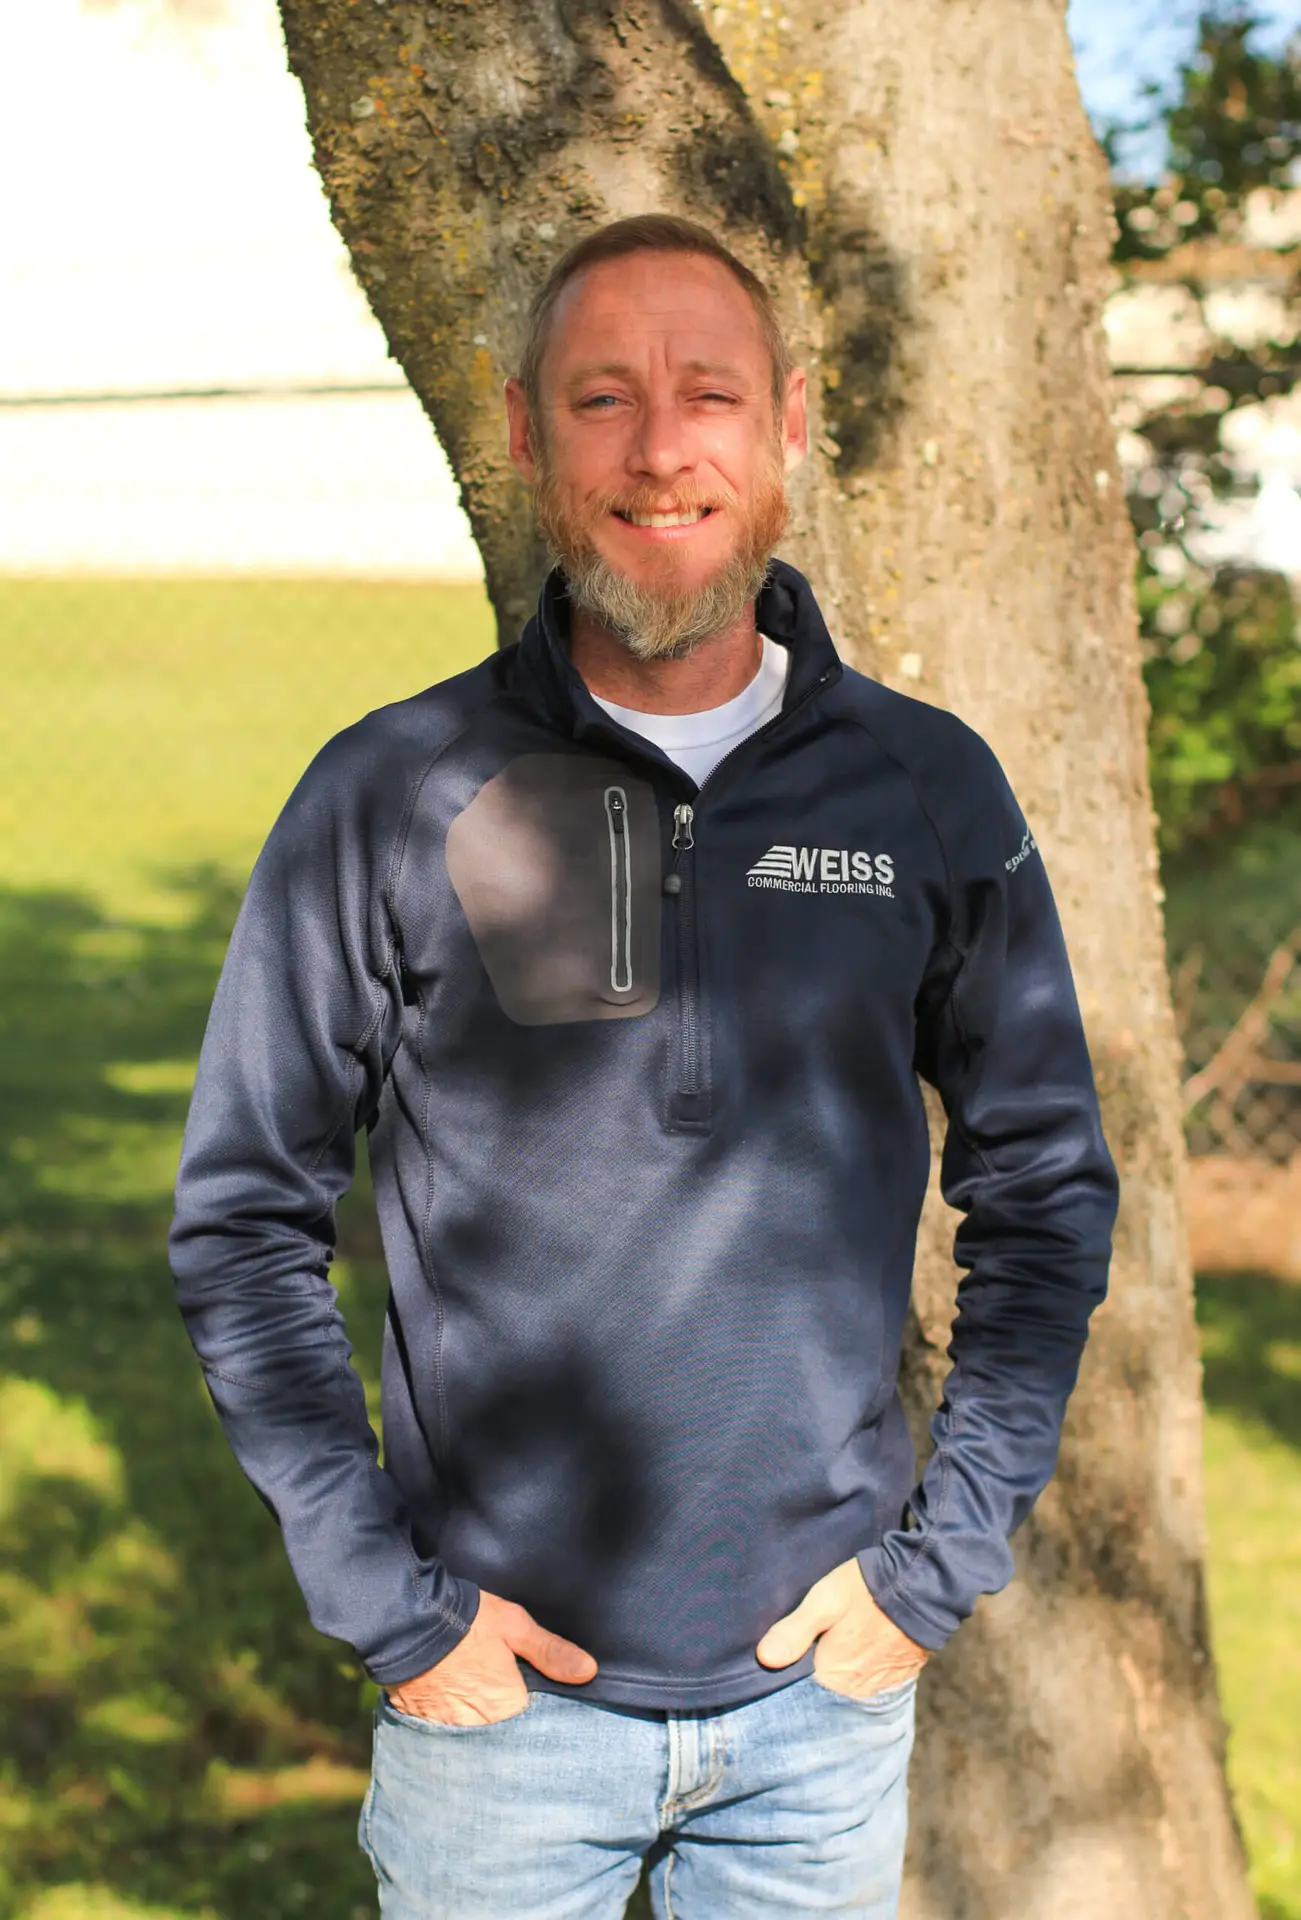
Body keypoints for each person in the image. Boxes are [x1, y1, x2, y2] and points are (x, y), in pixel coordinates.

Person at [170, 214, 1118, 1918]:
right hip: (497, 1716)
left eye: (711, 396)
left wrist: (934, 1570)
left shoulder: (926, 791)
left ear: (790, 428)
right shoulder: (393, 795)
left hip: (817, 1713)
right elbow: (243, 1220)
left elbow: (1045, 1191)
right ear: (526, 434)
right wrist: (392, 1606)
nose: (662, 448)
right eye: (603, 398)